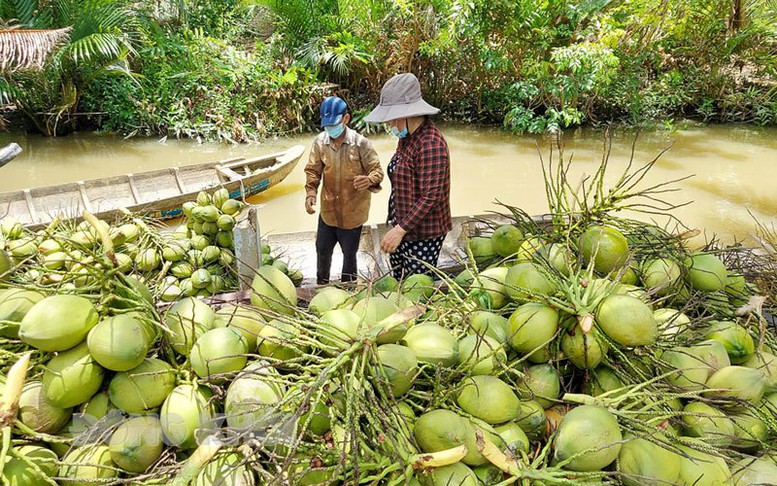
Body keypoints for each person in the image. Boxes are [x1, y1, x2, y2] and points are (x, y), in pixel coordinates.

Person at [363, 73, 452, 280]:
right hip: (402, 226)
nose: (390, 125)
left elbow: (430, 196)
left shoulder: (430, 143)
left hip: (423, 234)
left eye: (393, 119)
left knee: (415, 287)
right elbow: (401, 177)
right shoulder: (407, 138)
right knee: (398, 282)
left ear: (409, 114)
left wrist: (400, 230)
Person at [305, 96, 383, 285]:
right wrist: (310, 192)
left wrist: (368, 180)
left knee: (350, 255)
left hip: (353, 212)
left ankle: (348, 289)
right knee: (322, 250)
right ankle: (322, 285)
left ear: (346, 119)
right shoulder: (320, 142)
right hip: (328, 211)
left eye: (334, 124)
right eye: (327, 125)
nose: (331, 129)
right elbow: (313, 170)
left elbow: (377, 171)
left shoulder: (361, 144)